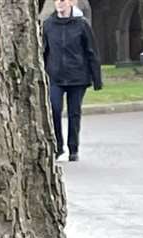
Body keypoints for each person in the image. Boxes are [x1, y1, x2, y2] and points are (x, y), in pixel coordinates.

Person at [42, 0, 102, 162]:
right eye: (57, 1)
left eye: (63, 0)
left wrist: (96, 78)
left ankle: (73, 148)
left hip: (78, 76)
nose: (59, 4)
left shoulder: (82, 25)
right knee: (54, 109)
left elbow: (91, 51)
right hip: (55, 76)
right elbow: (43, 52)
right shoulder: (48, 25)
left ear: (71, 2)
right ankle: (58, 146)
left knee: (74, 112)